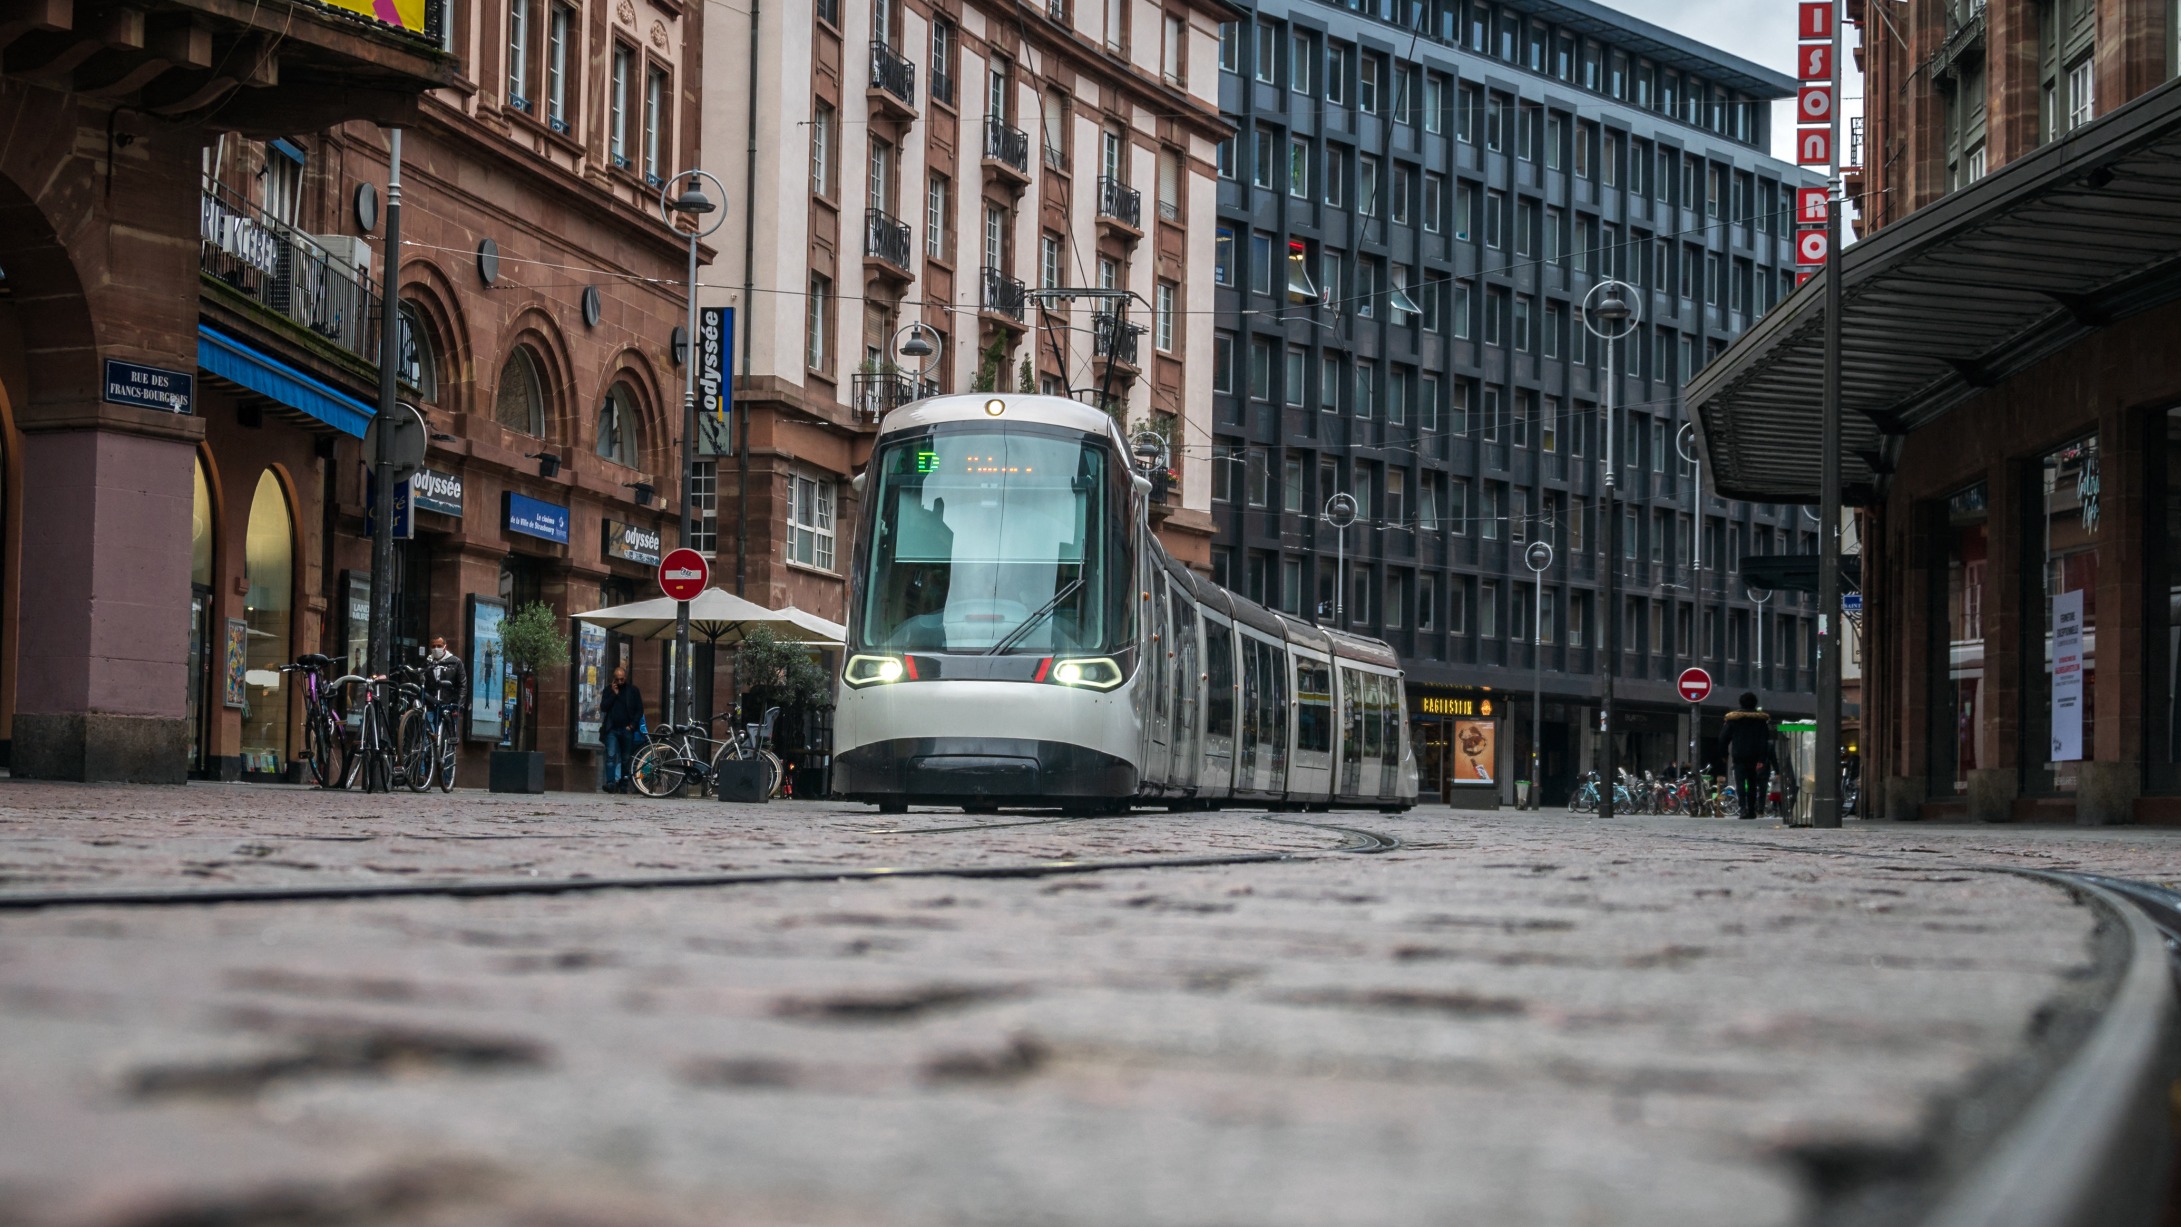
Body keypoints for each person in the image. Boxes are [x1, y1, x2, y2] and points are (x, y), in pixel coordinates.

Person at [1719, 691, 1774, 821]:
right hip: (1754, 756)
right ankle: (1752, 810)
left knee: (1740, 783)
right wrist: (1762, 758)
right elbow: (1764, 740)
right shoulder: (1760, 721)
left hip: (1739, 755)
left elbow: (1723, 738)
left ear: (1740, 703)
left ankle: (1742, 809)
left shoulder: (1734, 720)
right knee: (1753, 783)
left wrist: (1724, 754)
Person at [600, 668, 644, 793]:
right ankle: (610, 783)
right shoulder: (609, 690)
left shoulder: (633, 691)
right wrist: (614, 693)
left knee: (625, 758)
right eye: (617, 679)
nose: (620, 681)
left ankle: (624, 783)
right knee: (611, 756)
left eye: (622, 679)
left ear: (626, 677)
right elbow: (604, 707)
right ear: (613, 679)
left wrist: (632, 725)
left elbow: (639, 710)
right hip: (612, 729)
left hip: (627, 728)